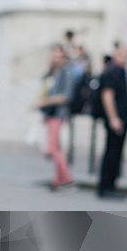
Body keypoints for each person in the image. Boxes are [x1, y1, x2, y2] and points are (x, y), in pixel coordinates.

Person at [36, 44, 75, 189]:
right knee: (57, 147)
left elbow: (66, 96)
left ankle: (67, 178)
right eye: (54, 56)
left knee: (53, 148)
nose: (56, 59)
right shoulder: (53, 71)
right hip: (51, 113)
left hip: (58, 113)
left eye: (59, 56)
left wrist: (46, 101)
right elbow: (44, 84)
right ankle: (58, 180)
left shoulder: (66, 72)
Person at [97, 44, 127, 198]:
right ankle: (105, 187)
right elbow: (107, 96)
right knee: (111, 153)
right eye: (123, 55)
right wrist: (113, 118)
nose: (126, 58)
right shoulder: (112, 72)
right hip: (115, 119)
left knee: (117, 154)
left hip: (122, 118)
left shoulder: (121, 71)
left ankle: (111, 185)